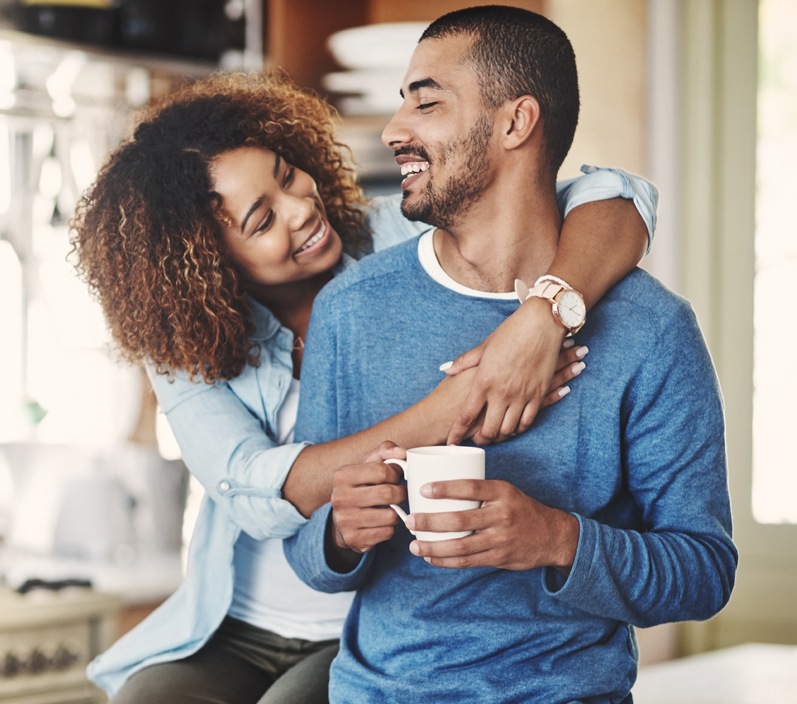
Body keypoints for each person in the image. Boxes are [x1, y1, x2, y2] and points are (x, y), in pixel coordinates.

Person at [70, 71, 659, 703]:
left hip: (365, 624)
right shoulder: (184, 342)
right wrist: (460, 400)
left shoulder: (400, 235)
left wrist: (544, 315)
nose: (302, 208)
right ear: (209, 263)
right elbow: (253, 485)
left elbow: (616, 197)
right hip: (236, 623)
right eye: (263, 219)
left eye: (288, 173)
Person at [284, 7, 737, 703]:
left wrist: (556, 539)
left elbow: (704, 571)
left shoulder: (653, 331)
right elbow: (308, 551)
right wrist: (339, 533)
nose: (393, 130)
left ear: (516, 122)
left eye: (426, 102)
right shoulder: (352, 310)